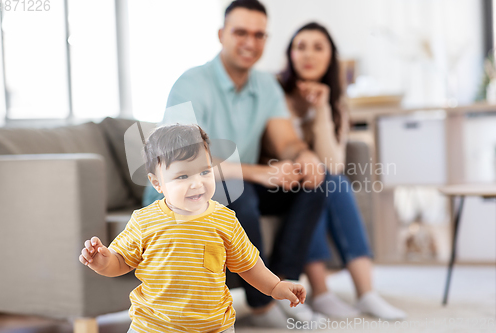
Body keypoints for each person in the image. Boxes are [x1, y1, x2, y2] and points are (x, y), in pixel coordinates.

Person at [143, 0, 328, 328]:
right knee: (240, 193)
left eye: (259, 35)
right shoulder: (192, 83)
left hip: (234, 182)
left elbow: (285, 140)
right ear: (221, 35)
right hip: (180, 193)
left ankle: (283, 285)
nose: (250, 42)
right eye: (240, 32)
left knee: (314, 184)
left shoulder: (266, 85)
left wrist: (304, 155)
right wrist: (259, 172)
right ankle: (262, 304)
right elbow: (183, 159)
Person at [79, 124, 307, 333]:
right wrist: (103, 262)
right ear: (157, 183)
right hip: (153, 326)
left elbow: (249, 264)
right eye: (183, 176)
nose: (197, 183)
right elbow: (121, 261)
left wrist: (275, 286)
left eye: (205, 172)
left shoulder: (224, 220)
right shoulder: (144, 221)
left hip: (214, 326)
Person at [278, 22, 407, 320]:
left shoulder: (335, 103)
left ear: (330, 57)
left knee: (332, 180)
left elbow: (333, 163)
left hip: (319, 179)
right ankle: (321, 292)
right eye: (300, 46)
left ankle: (367, 293)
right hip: (282, 179)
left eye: (318, 47)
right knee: (319, 182)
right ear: (290, 55)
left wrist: (322, 109)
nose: (308, 54)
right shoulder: (276, 96)